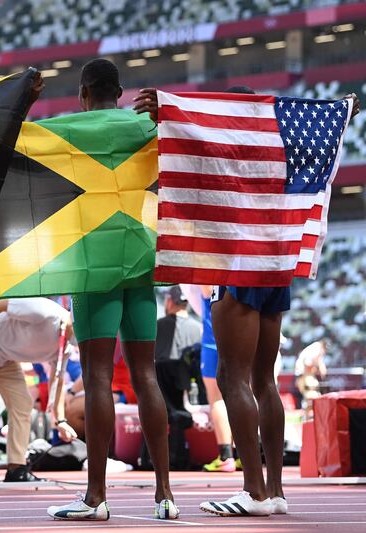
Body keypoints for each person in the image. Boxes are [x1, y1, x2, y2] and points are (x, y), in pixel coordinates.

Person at [134, 84, 360, 516]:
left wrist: (170, 111)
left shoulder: (224, 148)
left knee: (233, 377)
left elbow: (189, 150)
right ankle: (274, 491)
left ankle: (253, 491)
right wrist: (339, 111)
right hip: (275, 259)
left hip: (236, 260)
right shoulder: (273, 142)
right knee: (263, 379)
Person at [47, 59, 178, 522]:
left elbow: (13, 147)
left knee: (99, 376)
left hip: (93, 266)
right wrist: (167, 113)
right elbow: (194, 142)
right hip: (143, 262)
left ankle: (96, 497)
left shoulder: (67, 130)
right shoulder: (146, 127)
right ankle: (164, 494)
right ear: (120, 93)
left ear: (84, 94)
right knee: (146, 375)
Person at [0, 298, 77, 483]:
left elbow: (57, 380)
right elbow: (0, 303)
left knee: (22, 404)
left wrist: (60, 420)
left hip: (5, 359)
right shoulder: (45, 312)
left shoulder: (65, 347)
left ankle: (16, 468)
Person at [154, 286, 202, 471]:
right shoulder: (199, 329)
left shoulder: (157, 326)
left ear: (169, 301)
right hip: (194, 395)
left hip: (163, 397)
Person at [198, 286, 237, 473]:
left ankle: (225, 456)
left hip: (213, 341)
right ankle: (247, 454)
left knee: (217, 399)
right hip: (240, 337)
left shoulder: (209, 277)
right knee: (245, 391)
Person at [294, 340, 327, 409]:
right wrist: (316, 368)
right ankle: (307, 415)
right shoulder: (316, 348)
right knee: (311, 395)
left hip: (304, 375)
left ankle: (309, 414)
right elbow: (308, 364)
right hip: (304, 375)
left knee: (313, 395)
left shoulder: (314, 348)